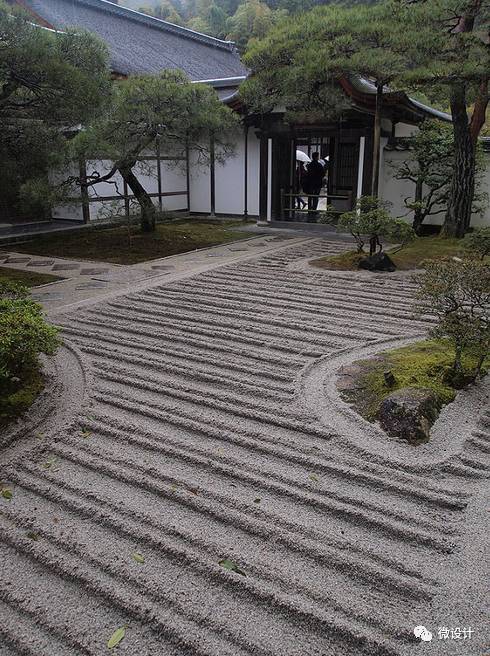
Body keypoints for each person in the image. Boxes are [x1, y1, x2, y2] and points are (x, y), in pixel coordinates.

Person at [305, 152, 324, 217]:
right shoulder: (319, 165)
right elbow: (322, 174)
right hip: (317, 183)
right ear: (316, 157)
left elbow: (307, 174)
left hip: (310, 183)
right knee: (316, 197)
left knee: (310, 197)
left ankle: (309, 210)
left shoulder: (309, 165)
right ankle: (314, 210)